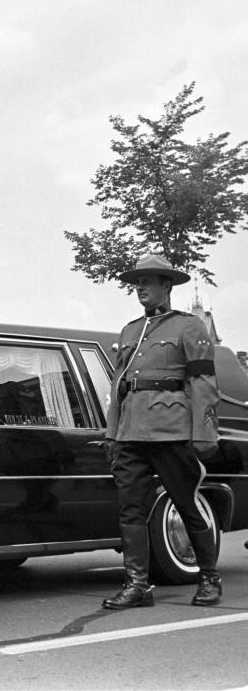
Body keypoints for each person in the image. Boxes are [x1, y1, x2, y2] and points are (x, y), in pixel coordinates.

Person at [102, 254, 222, 610]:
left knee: (185, 504)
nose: (139, 287)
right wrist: (112, 432)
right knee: (130, 511)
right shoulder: (129, 331)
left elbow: (204, 383)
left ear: (167, 286)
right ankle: (138, 584)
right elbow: (119, 386)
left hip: (170, 430)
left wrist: (205, 433)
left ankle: (209, 578)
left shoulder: (189, 327)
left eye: (148, 281)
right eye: (136, 282)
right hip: (130, 433)